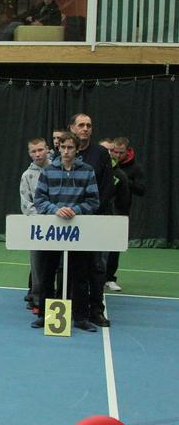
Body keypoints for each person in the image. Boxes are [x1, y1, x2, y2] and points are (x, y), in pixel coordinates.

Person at [32, 133, 100, 332]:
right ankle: (45, 315)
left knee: (80, 275)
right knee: (47, 274)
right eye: (63, 147)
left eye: (70, 147)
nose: (66, 151)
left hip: (78, 232)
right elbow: (39, 200)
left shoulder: (88, 171)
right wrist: (55, 210)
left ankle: (80, 317)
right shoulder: (48, 171)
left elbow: (93, 201)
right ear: (58, 148)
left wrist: (75, 210)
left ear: (77, 149)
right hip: (52, 231)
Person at [70, 113, 114, 327]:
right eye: (81, 125)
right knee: (70, 268)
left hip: (96, 221)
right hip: (70, 223)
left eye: (88, 125)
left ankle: (96, 310)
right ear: (72, 128)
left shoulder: (101, 154)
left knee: (97, 268)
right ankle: (72, 309)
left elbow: (106, 188)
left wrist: (91, 213)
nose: (85, 128)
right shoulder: (67, 151)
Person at [106, 136, 146, 291]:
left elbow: (141, 190)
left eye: (121, 152)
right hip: (103, 211)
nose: (117, 155)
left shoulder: (135, 168)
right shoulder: (105, 164)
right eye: (114, 152)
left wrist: (124, 181)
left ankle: (110, 278)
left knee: (114, 247)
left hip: (121, 212)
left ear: (127, 151)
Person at [19, 137, 50, 317]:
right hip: (38, 229)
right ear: (29, 153)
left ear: (47, 149)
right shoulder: (27, 175)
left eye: (40, 150)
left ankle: (60, 299)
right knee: (37, 267)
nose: (38, 154)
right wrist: (43, 219)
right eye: (34, 151)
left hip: (59, 228)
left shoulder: (59, 170)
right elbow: (26, 204)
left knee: (59, 267)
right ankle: (38, 301)